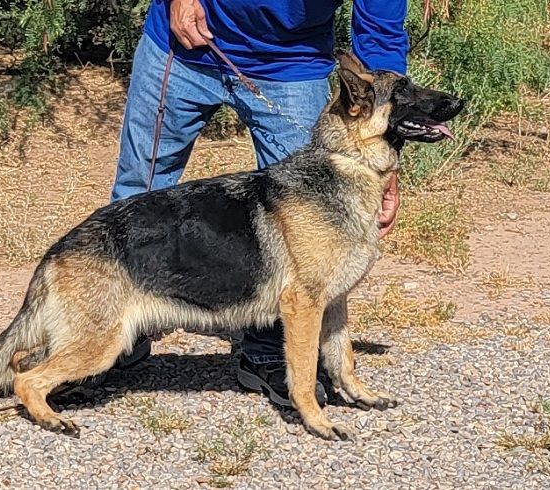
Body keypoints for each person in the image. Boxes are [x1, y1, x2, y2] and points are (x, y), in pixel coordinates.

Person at [103, 0, 407, 407]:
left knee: (305, 237)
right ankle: (113, 334)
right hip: (183, 47)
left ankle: (266, 353)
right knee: (138, 194)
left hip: (293, 66)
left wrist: (385, 167)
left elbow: (381, 38)